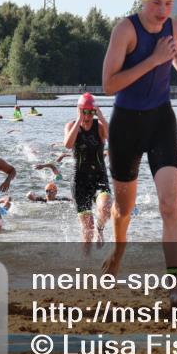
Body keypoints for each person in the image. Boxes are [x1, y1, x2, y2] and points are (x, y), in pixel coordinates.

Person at [100, 0, 177, 302]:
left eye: (168, 3)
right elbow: (109, 85)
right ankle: (119, 251)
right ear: (144, 0)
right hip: (126, 125)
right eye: (156, 2)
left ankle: (175, 287)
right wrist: (154, 60)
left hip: (161, 121)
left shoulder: (176, 27)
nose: (163, 10)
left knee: (170, 203)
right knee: (123, 208)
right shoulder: (125, 30)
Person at [63, 93, 113, 249]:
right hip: (80, 181)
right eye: (84, 111)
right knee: (88, 230)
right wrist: (79, 120)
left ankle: (101, 228)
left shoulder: (99, 127)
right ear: (79, 110)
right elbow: (68, 145)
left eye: (91, 112)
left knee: (105, 208)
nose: (88, 116)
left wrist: (102, 117)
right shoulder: (71, 126)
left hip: (99, 176)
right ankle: (85, 263)